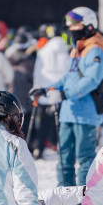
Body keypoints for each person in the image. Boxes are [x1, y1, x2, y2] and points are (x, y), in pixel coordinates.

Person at [31, 7, 103, 187]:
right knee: (63, 156)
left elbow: (92, 80)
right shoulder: (77, 50)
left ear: (90, 26)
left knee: (84, 158)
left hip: (85, 114)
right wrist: (46, 89)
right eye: (70, 27)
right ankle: (66, 195)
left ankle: (84, 197)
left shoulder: (96, 51)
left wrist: (66, 94)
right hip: (68, 112)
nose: (72, 30)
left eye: (76, 26)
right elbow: (67, 77)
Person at [29, 25, 69, 158]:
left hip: (45, 91)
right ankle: (60, 147)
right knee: (60, 123)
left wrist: (37, 88)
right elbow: (66, 71)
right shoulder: (65, 50)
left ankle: (39, 148)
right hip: (59, 92)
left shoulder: (43, 50)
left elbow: (37, 72)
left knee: (43, 123)